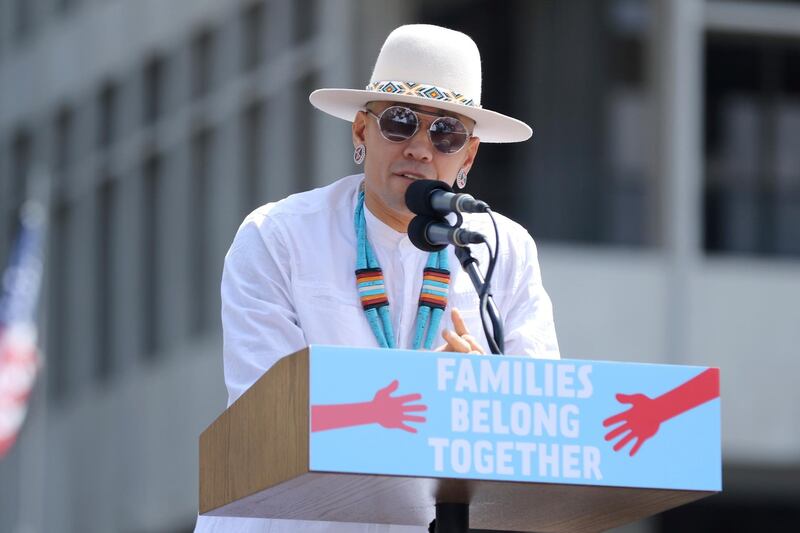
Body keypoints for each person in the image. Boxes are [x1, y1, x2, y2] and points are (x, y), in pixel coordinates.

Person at [195, 24, 559, 533]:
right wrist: (432, 401)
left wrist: (485, 398)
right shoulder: (278, 236)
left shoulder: (500, 249)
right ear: (361, 132)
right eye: (400, 123)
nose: (420, 147)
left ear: (468, 157)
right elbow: (268, 421)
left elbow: (543, 425)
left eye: (446, 133)